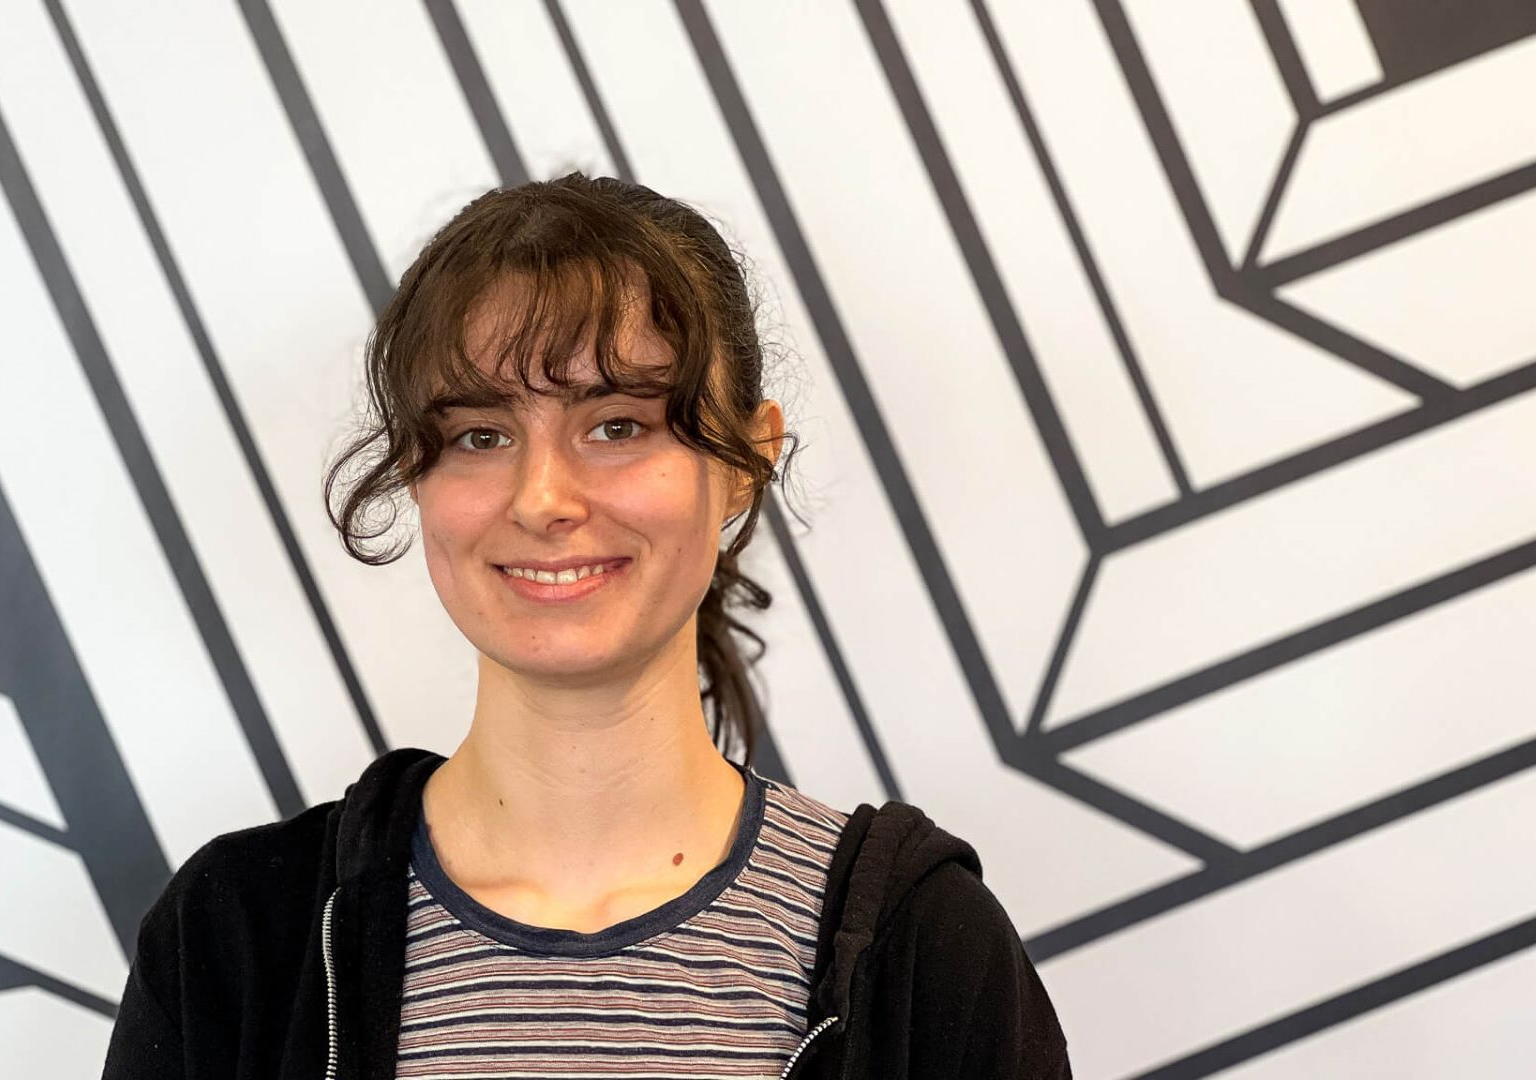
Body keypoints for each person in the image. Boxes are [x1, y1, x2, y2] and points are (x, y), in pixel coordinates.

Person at [100, 172, 1070, 1078]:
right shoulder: (235, 936)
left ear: (747, 459)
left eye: (618, 424)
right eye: (480, 435)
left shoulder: (926, 948)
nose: (544, 497)